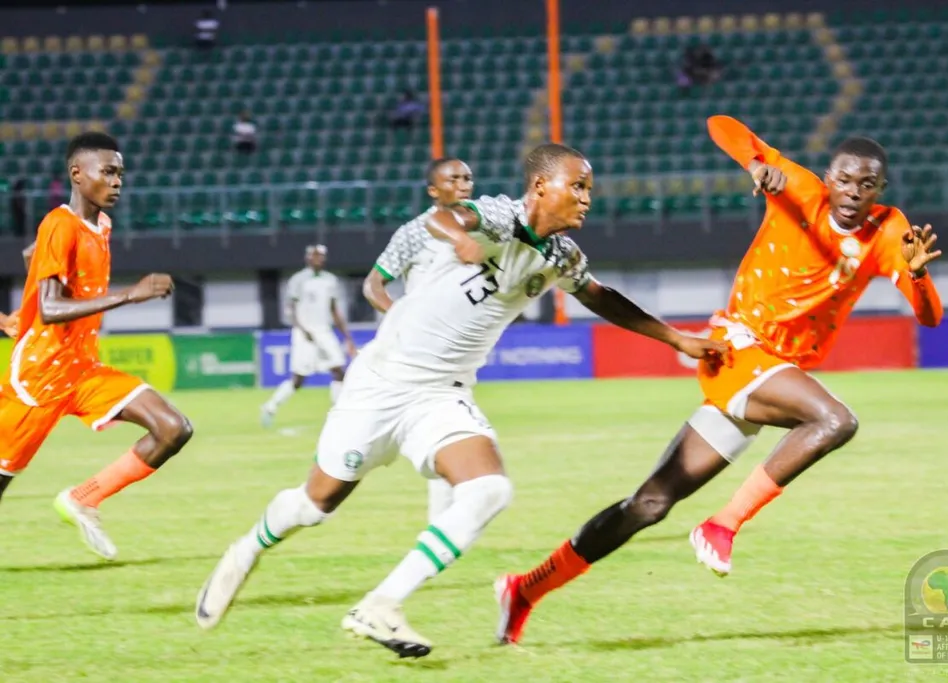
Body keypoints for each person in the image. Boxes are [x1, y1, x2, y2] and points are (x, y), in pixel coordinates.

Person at [195, 143, 727, 659]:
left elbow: (600, 296)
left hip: (440, 394)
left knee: (489, 489)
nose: (588, 198)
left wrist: (674, 338)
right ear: (542, 186)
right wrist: (461, 238)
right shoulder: (499, 215)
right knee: (315, 506)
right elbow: (445, 219)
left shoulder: (562, 254)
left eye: (590, 188)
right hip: (382, 382)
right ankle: (246, 550)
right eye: (579, 186)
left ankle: (382, 604)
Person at [493, 115, 945, 645]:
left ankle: (525, 589)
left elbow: (930, 316)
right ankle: (722, 524)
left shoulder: (890, 230)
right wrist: (756, 162)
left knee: (649, 505)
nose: (852, 192)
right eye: (844, 180)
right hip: (739, 349)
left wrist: (917, 276)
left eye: (866, 185)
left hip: (773, 371)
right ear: (828, 177)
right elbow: (721, 125)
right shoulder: (797, 188)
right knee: (835, 420)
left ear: (880, 190)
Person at [0, 132, 194, 560]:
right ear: (77, 173)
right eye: (108, 171)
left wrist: (24, 307)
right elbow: (51, 308)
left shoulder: (100, 225)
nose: (118, 181)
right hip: (38, 377)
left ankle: (83, 498)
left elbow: (34, 258)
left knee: (173, 428)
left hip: (83, 368)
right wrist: (131, 294)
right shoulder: (59, 223)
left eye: (120, 173)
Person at [363, 157, 474, 524]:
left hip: (455, 354)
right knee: (372, 442)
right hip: (415, 353)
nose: (463, 184)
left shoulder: (483, 230)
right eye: (453, 178)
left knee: (451, 435)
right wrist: (401, 320)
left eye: (467, 178)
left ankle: (441, 529)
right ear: (433, 190)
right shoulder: (415, 232)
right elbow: (373, 284)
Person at [261, 244, 358, 427]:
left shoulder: (330, 280)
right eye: (315, 256)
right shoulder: (299, 280)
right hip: (304, 333)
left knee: (339, 370)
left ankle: (338, 414)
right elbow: (291, 309)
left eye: (321, 256)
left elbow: (334, 309)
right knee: (299, 379)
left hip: (324, 330)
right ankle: (270, 407)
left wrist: (347, 336)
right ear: (307, 258)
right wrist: (302, 329)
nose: (318, 259)